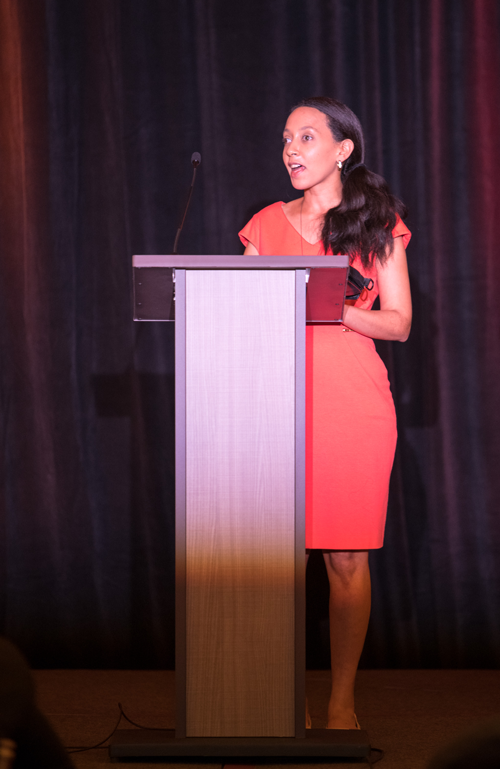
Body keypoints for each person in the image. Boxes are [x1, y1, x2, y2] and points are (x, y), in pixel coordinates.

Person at [239, 97, 412, 730]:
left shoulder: (376, 221)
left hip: (354, 408)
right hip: (276, 406)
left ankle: (340, 701)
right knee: (280, 564)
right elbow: (246, 319)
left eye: (307, 137)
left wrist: (334, 308)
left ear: (343, 150)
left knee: (346, 559)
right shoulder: (264, 225)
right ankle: (279, 701)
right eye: (286, 138)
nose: (291, 149)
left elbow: (399, 323)